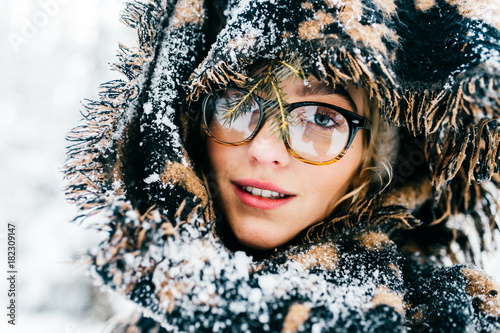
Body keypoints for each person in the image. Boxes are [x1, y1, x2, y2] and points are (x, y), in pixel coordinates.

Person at [64, 0, 500, 331]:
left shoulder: (442, 316)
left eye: (321, 119)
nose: (266, 150)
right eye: (238, 102)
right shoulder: (142, 318)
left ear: (376, 160)